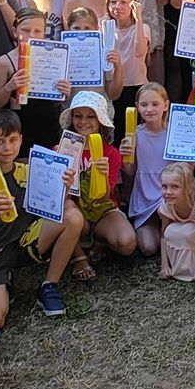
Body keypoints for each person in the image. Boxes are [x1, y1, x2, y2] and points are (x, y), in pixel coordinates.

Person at [0, 109, 85, 324]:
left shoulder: (29, 169)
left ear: (21, 139)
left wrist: (63, 187)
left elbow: (53, 208)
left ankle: (49, 286)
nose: (7, 148)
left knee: (72, 216)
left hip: (25, 240)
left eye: (12, 140)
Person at [60, 90, 136, 273]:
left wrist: (102, 176)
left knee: (127, 243)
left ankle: (99, 240)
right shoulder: (62, 149)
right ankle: (78, 256)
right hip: (74, 210)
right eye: (78, 116)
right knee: (66, 207)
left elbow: (105, 197)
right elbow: (57, 199)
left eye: (90, 116)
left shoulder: (110, 153)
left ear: (100, 120)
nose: (83, 121)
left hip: (102, 209)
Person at [0, 7, 68, 150]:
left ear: (44, 34)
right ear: (15, 32)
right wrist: (9, 87)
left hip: (47, 124)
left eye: (37, 31)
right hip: (18, 126)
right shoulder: (5, 62)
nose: (31, 35)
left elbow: (56, 102)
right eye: (25, 30)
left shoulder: (55, 59)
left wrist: (64, 92)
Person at [122, 81, 173, 258]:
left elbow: (185, 170)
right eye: (144, 105)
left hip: (168, 195)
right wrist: (125, 158)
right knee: (148, 247)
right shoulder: (134, 134)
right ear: (137, 107)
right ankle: (155, 229)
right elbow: (130, 172)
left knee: (172, 237)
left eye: (155, 104)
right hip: (144, 197)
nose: (149, 109)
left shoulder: (174, 133)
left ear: (165, 105)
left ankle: (167, 233)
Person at [104, 0, 153, 132]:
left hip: (136, 87)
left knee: (135, 131)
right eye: (113, 2)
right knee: (118, 131)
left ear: (132, 5)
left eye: (123, 2)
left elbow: (139, 52)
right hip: (114, 86)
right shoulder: (105, 28)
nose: (118, 7)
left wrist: (138, 18)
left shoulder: (143, 28)